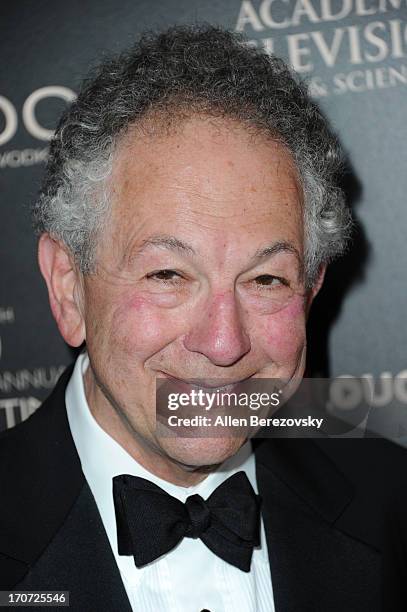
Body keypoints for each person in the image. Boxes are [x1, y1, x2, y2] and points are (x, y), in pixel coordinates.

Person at [0, 24, 405, 611]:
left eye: (266, 279)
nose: (223, 343)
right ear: (69, 288)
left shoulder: (391, 504)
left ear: (311, 290)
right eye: (169, 275)